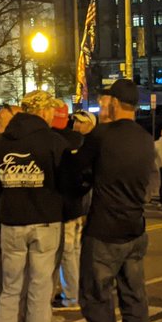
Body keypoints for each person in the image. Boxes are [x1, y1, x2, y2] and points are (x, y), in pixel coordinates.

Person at [76, 79, 157, 322]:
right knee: (134, 299)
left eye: (106, 101)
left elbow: (77, 172)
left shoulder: (102, 137)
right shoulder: (145, 140)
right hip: (135, 230)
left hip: (105, 231)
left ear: (113, 104)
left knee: (95, 298)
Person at [0, 90, 68, 322]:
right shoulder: (53, 142)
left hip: (11, 222)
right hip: (44, 222)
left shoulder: (1, 143)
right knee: (39, 295)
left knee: (9, 293)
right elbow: (67, 185)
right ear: (43, 113)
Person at [54, 110, 93, 310]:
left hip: (68, 206)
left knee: (68, 252)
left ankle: (71, 295)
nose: (77, 124)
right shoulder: (81, 142)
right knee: (74, 251)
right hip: (77, 205)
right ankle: (75, 291)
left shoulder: (59, 142)